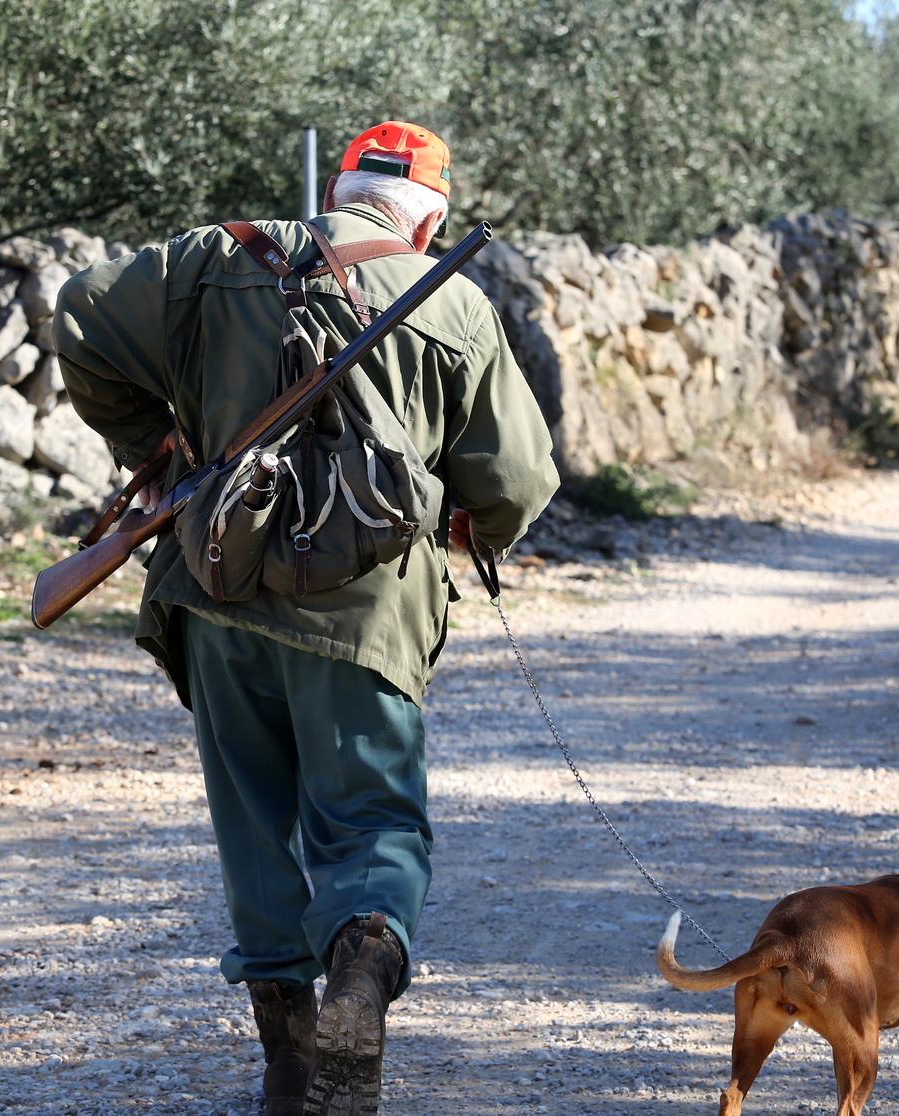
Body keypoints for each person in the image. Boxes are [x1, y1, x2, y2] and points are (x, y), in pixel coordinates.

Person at [54, 120, 558, 1114]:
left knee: (253, 824)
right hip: (365, 612)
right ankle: (361, 976)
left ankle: (288, 1064)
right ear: (431, 213)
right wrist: (469, 524)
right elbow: (515, 481)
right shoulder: (451, 301)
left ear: (338, 187)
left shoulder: (210, 258)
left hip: (217, 589)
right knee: (369, 820)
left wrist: (159, 448)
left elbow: (80, 315)